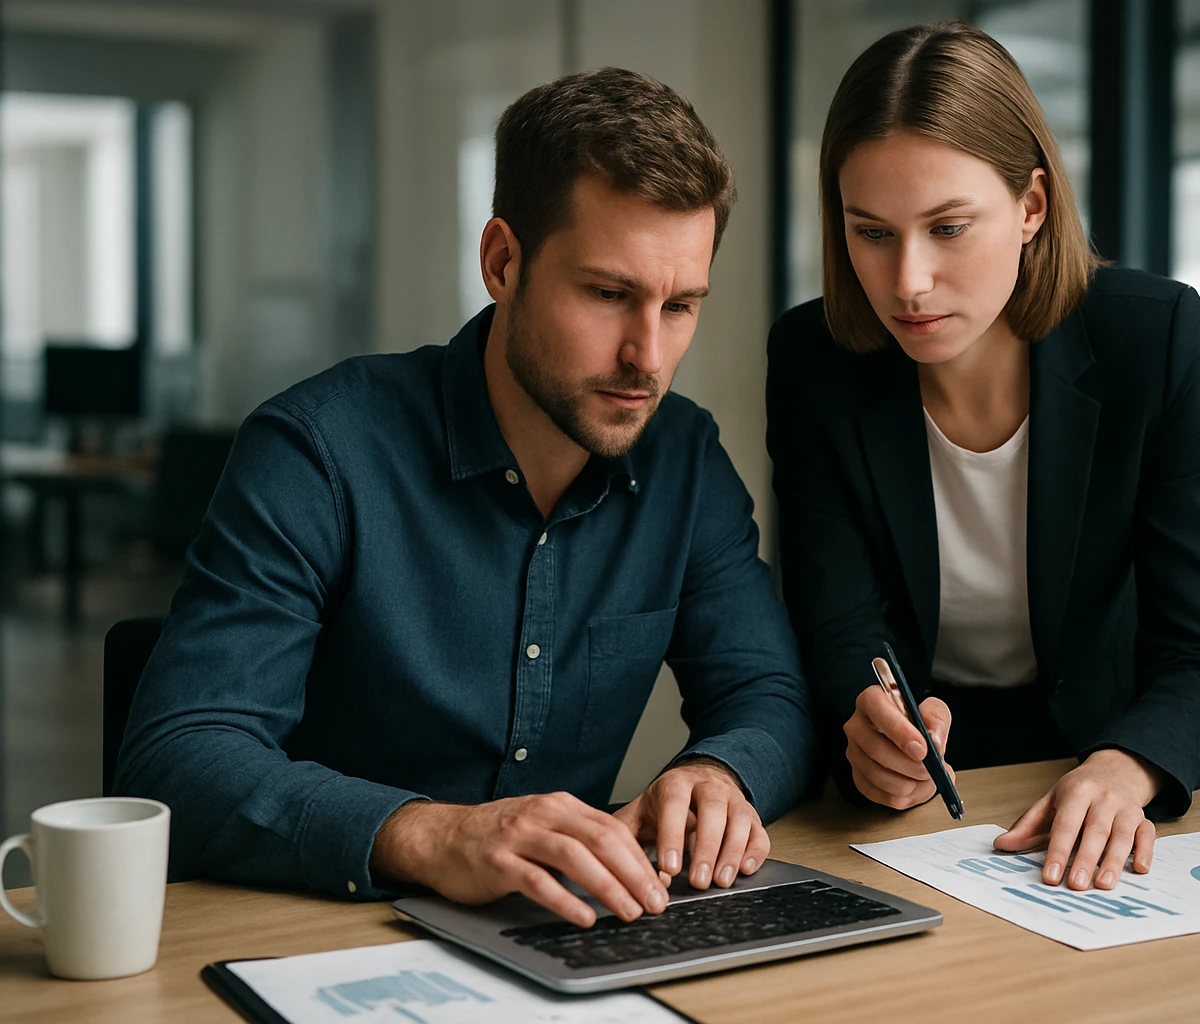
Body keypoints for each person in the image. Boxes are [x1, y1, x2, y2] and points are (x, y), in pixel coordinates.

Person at [116, 68, 814, 928]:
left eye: (680, 306)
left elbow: (770, 696)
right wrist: (430, 835)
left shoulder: (686, 460)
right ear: (502, 262)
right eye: (609, 294)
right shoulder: (315, 452)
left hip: (569, 940)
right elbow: (175, 758)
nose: (649, 357)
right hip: (315, 938)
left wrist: (720, 772)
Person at [766, 23, 1200, 895]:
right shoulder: (815, 359)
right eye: (870, 232)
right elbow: (838, 625)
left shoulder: (1153, 337)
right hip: (912, 807)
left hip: (1095, 766)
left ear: (1031, 206)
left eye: (948, 227)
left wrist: (1128, 766)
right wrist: (868, 725)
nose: (907, 281)